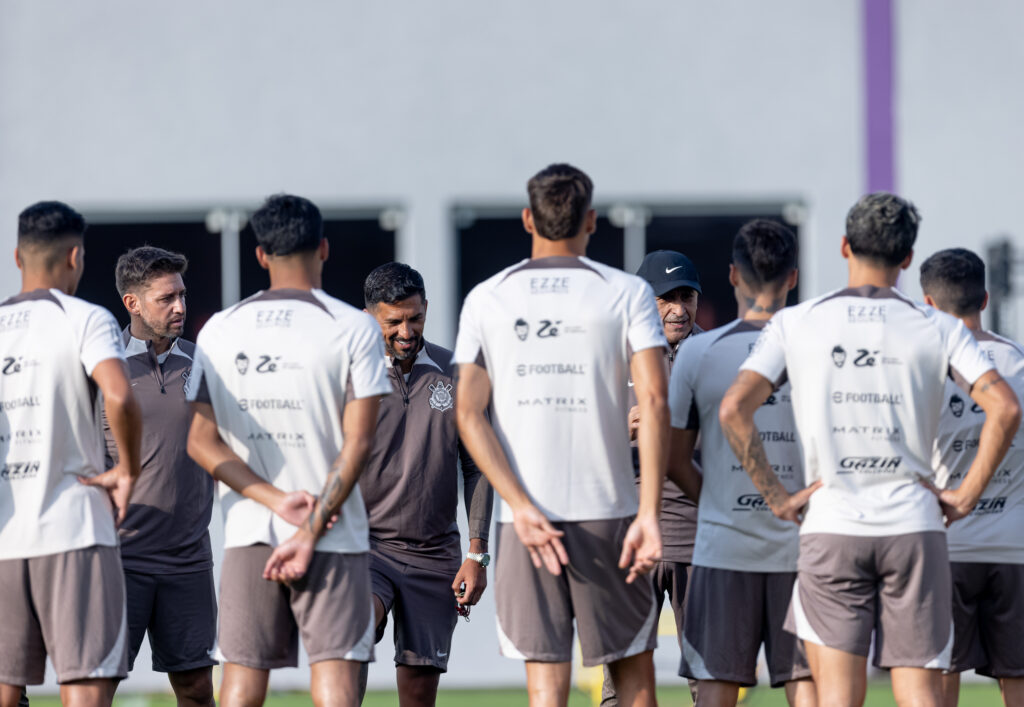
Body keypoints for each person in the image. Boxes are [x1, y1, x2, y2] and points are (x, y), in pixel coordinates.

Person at [720, 193, 1021, 707]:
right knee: (922, 696)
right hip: (914, 525)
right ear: (907, 259)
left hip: (832, 524)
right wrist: (965, 496)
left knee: (838, 698)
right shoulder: (939, 325)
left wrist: (777, 496)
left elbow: (733, 410)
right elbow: (1005, 408)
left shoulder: (799, 321)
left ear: (843, 246)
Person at [454, 163, 669, 707]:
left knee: (545, 690)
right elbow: (656, 400)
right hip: (612, 514)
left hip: (526, 522)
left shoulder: (487, 297)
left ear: (528, 218)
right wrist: (648, 514)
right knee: (635, 684)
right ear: (591, 221)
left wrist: (520, 506)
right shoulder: (627, 292)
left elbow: (468, 413)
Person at [185, 194, 393, 707]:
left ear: (260, 255)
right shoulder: (354, 327)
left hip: (250, 533)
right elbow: (360, 441)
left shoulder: (218, 329)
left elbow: (199, 441)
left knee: (240, 685)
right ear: (323, 248)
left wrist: (276, 501)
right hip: (334, 534)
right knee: (336, 685)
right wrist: (310, 527)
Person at [0, 201, 142, 707]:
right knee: (82, 683)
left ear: (18, 256)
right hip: (73, 530)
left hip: (5, 536)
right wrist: (126, 469)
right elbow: (121, 395)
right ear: (75, 256)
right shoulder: (85, 318)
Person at [670, 220, 815, 706]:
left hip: (721, 548)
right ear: (793, 277)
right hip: (804, 548)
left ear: (733, 276)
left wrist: (716, 502)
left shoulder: (697, 352)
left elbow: (673, 459)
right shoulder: (816, 348)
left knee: (714, 689)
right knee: (809, 686)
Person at [357, 262, 494, 706]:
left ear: (427, 310)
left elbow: (478, 467)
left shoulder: (458, 373)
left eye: (414, 318)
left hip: (435, 555)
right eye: (393, 321)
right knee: (350, 635)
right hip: (365, 547)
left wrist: (476, 553)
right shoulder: (349, 374)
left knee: (418, 697)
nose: (405, 330)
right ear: (369, 317)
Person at [104, 247, 216, 707]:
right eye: (166, 298)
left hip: (189, 560)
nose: (180, 307)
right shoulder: (101, 368)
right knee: (96, 689)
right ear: (132, 303)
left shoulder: (204, 364)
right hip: (117, 558)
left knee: (195, 691)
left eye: (183, 295)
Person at [920, 248, 1024, 707]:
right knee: (1018, 675)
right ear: (984, 298)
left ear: (928, 304)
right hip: (1014, 545)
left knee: (943, 673)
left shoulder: (922, 370)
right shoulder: (1018, 361)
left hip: (946, 545)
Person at [601, 250, 703, 707]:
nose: (678, 308)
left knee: (709, 673)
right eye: (666, 298)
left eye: (687, 296)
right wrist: (622, 429)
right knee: (620, 679)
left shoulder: (714, 354)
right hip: (627, 539)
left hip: (698, 536)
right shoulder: (610, 356)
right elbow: (577, 445)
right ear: (644, 301)